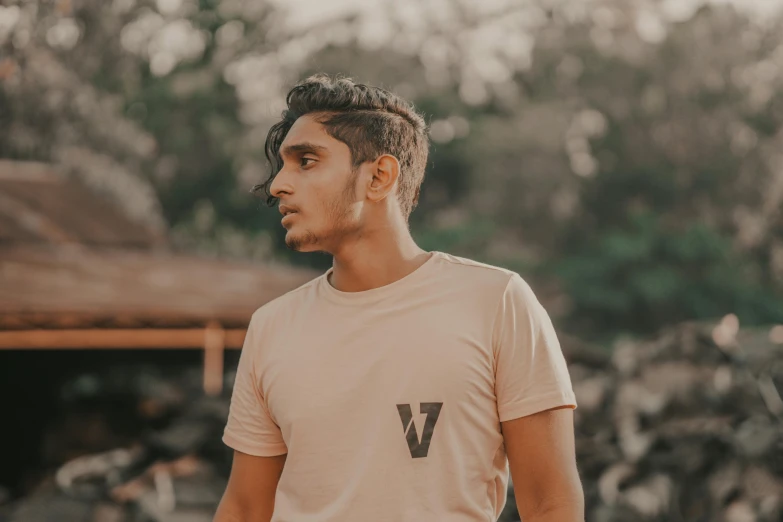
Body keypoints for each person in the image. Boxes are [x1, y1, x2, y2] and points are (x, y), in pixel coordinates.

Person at [214, 74, 583, 522]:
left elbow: (552, 504)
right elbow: (245, 509)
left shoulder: (496, 302)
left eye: (306, 161)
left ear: (379, 177)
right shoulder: (272, 326)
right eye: (283, 166)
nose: (277, 185)